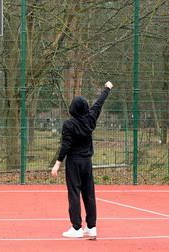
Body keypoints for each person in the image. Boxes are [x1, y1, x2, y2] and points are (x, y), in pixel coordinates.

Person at [51, 81, 112, 238]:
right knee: (89, 194)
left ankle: (77, 228)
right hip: (87, 162)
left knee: (74, 193)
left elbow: (65, 145)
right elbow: (98, 104)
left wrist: (57, 164)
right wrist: (107, 89)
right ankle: (91, 227)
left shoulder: (69, 125)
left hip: (74, 162)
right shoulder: (90, 119)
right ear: (85, 108)